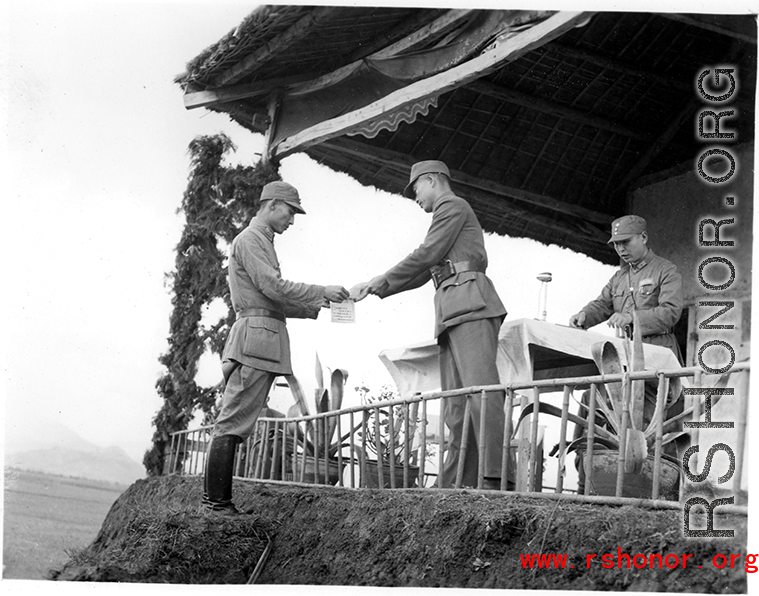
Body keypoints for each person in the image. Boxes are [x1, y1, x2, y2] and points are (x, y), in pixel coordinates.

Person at [352, 160, 510, 490]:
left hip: (470, 304)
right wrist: (378, 287)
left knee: (482, 393)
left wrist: (381, 278)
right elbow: (428, 269)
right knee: (456, 405)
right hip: (453, 307)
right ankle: (456, 483)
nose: (416, 197)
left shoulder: (451, 205)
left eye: (416, 189)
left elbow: (427, 254)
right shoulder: (447, 213)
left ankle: (496, 478)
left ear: (432, 180)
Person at [203, 181, 349, 514]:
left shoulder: (260, 241)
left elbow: (272, 299)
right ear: (271, 205)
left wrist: (318, 304)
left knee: (237, 421)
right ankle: (217, 505)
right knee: (232, 422)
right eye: (290, 211)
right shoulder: (251, 240)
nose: (292, 220)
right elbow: (273, 286)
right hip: (255, 341)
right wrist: (319, 290)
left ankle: (215, 502)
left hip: (262, 338)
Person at [568, 214, 684, 490]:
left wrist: (632, 318)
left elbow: (671, 312)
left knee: (650, 421)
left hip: (658, 355)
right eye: (616, 243)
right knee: (593, 399)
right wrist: (584, 315)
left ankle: (650, 488)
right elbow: (602, 304)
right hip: (628, 358)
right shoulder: (619, 277)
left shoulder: (665, 270)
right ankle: (589, 481)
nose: (620, 248)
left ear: (643, 238)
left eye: (625, 242)